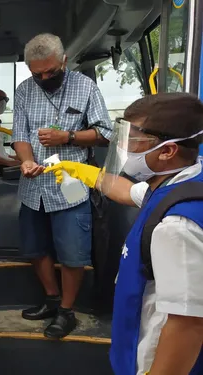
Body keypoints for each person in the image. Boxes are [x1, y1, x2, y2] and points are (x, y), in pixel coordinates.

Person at [45, 93, 203, 374]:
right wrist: (85, 173)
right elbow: (127, 191)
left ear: (167, 151)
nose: (125, 147)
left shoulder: (176, 227)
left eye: (134, 140)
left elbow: (188, 325)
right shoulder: (182, 182)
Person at [11, 32, 113, 338]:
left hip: (71, 184)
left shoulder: (85, 87)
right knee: (34, 248)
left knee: (73, 252)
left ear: (64, 61)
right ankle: (52, 300)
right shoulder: (24, 91)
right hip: (34, 187)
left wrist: (67, 137)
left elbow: (106, 133)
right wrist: (26, 161)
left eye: (51, 72)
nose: (44, 78)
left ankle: (67, 312)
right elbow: (20, 135)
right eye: (37, 73)